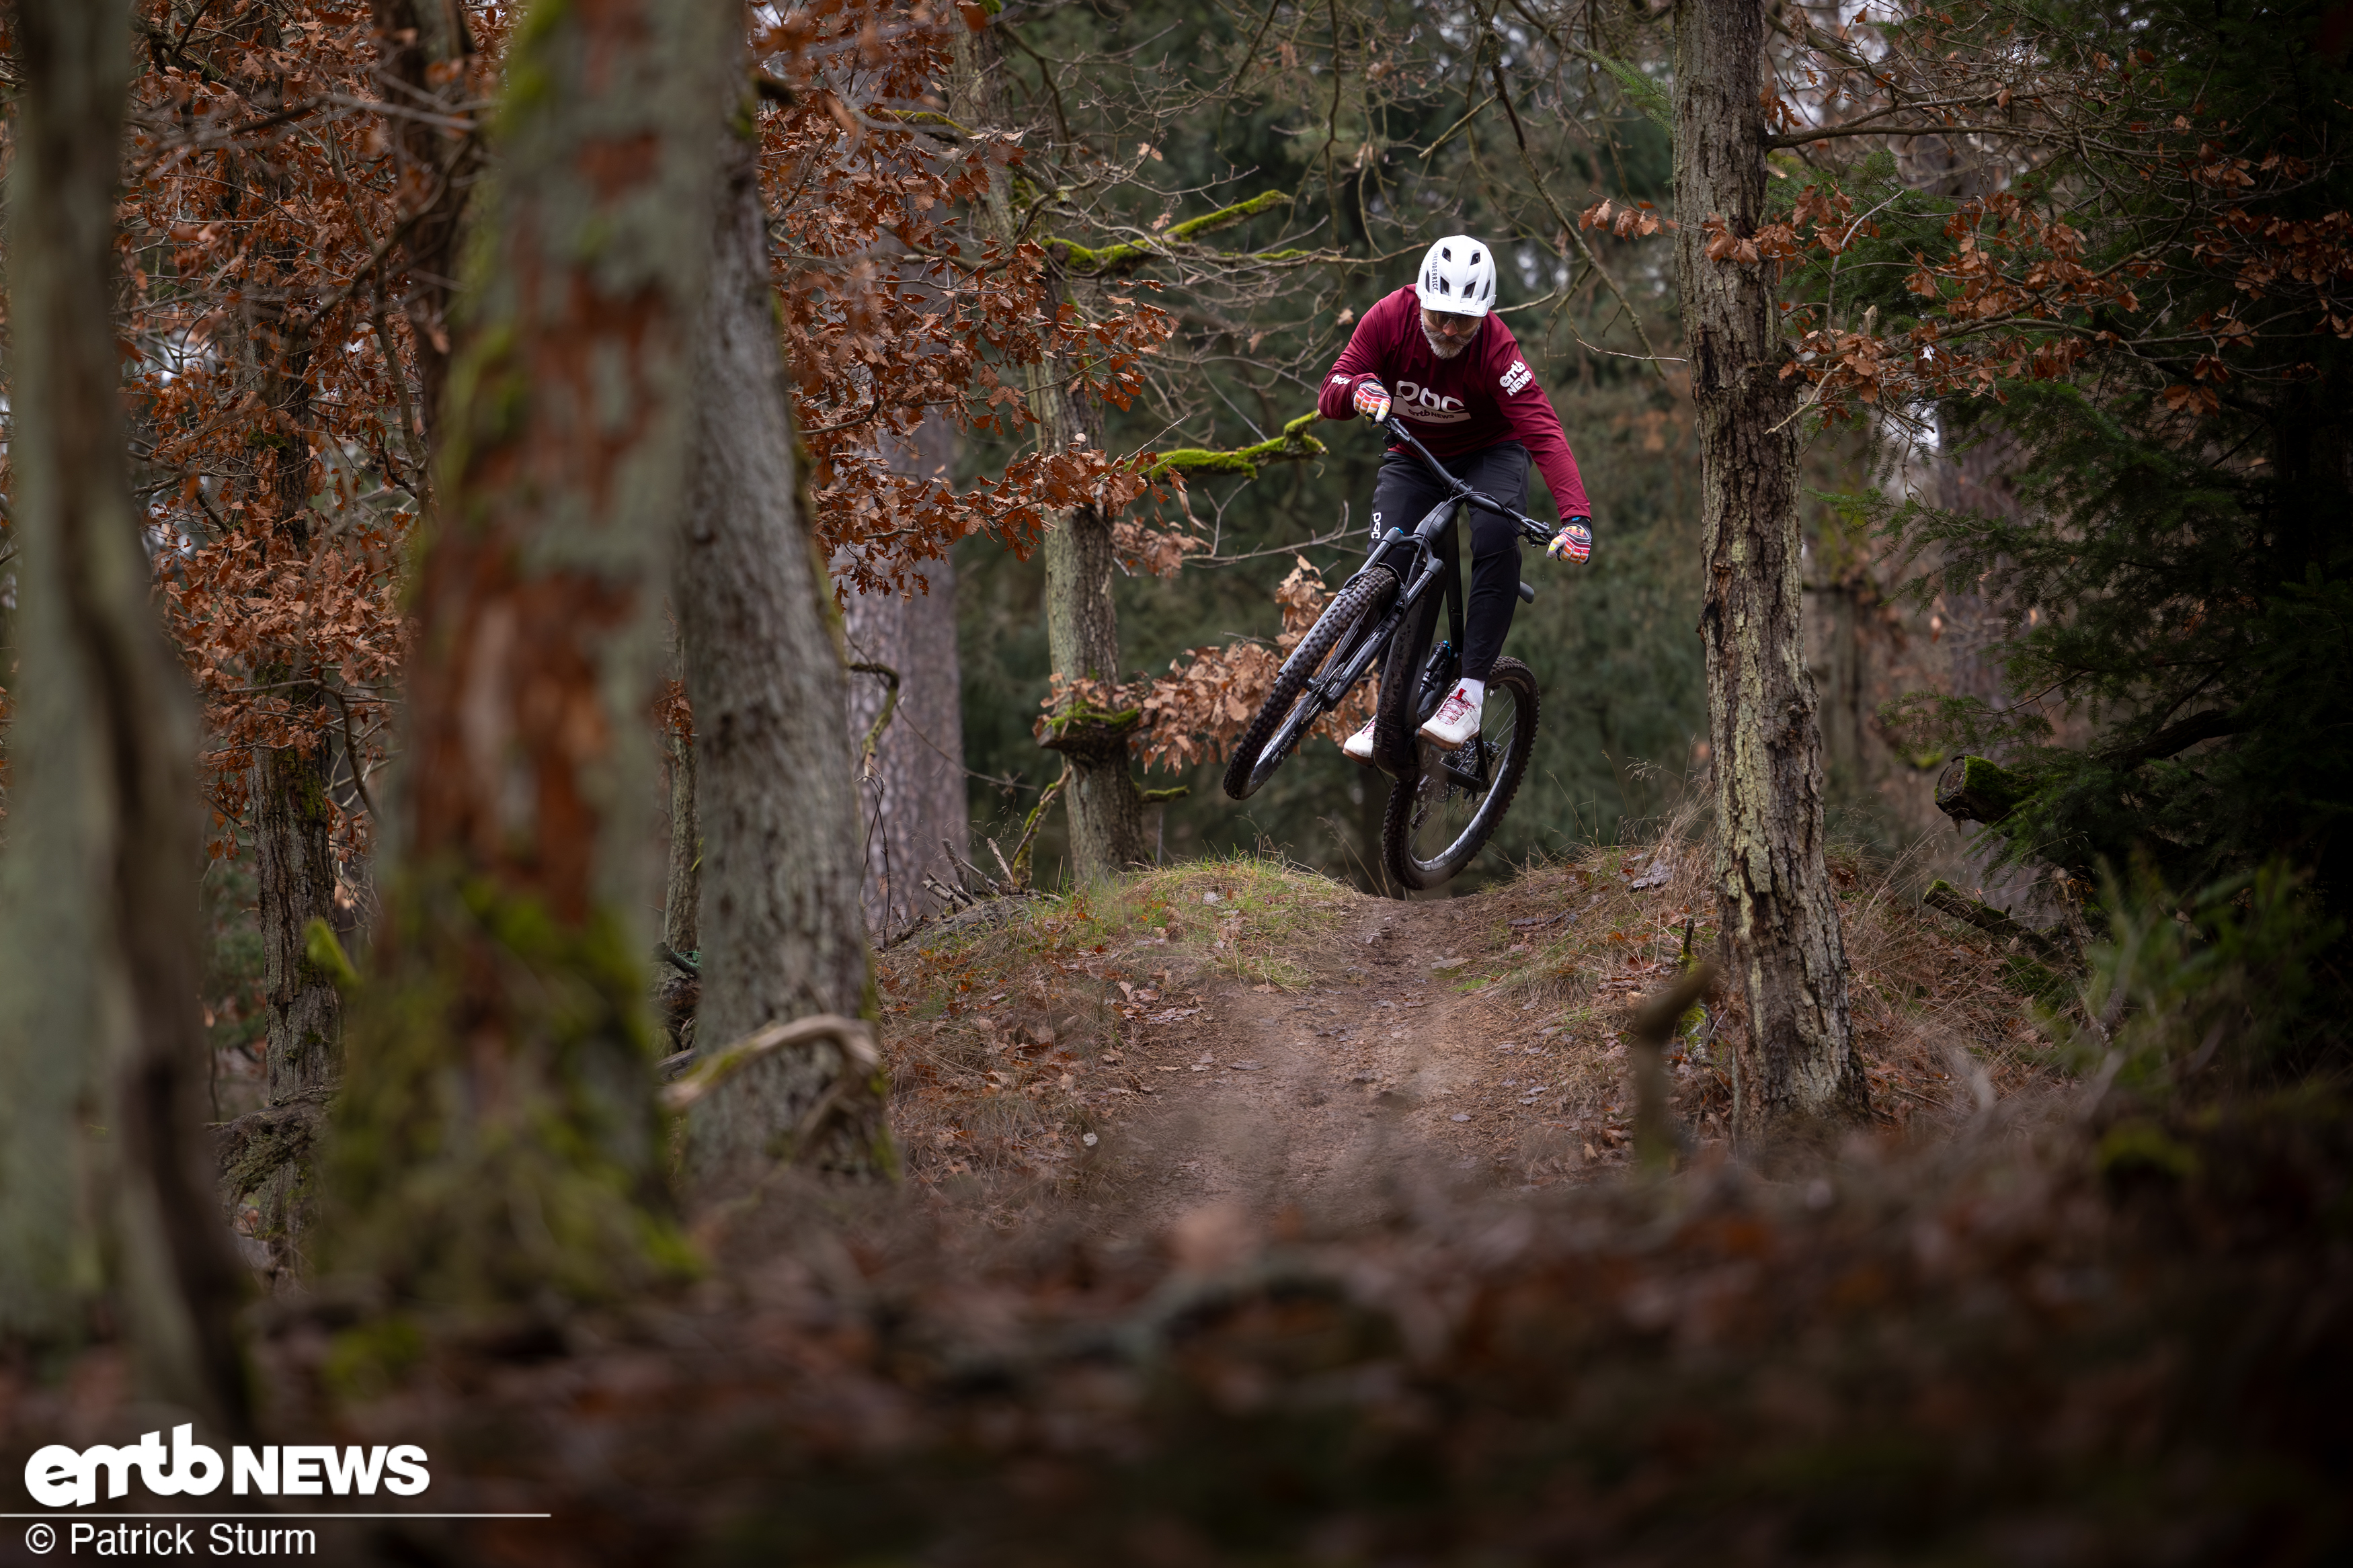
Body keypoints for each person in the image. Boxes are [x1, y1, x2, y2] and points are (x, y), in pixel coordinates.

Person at [1316, 235, 1593, 760]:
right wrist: (1356, 391)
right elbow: (1332, 390)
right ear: (1421, 298)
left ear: (1484, 314)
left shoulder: (1498, 350)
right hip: (1414, 454)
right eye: (1440, 314)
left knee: (1495, 534)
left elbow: (1544, 432)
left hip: (1492, 453)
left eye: (1464, 321)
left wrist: (1576, 519)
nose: (1449, 329)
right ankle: (1391, 704)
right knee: (1390, 562)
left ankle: (1469, 691)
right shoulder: (1388, 318)